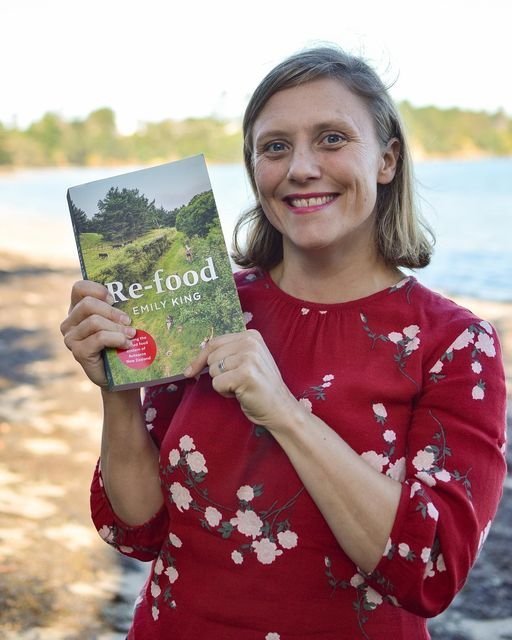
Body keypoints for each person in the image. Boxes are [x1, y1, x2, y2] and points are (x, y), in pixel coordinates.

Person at [60, 45, 507, 639]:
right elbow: (138, 524)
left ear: (387, 159)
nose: (300, 168)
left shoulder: (454, 344)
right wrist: (117, 387)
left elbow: (430, 571)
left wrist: (286, 414)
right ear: (255, 171)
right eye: (275, 147)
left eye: (331, 138)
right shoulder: (205, 306)